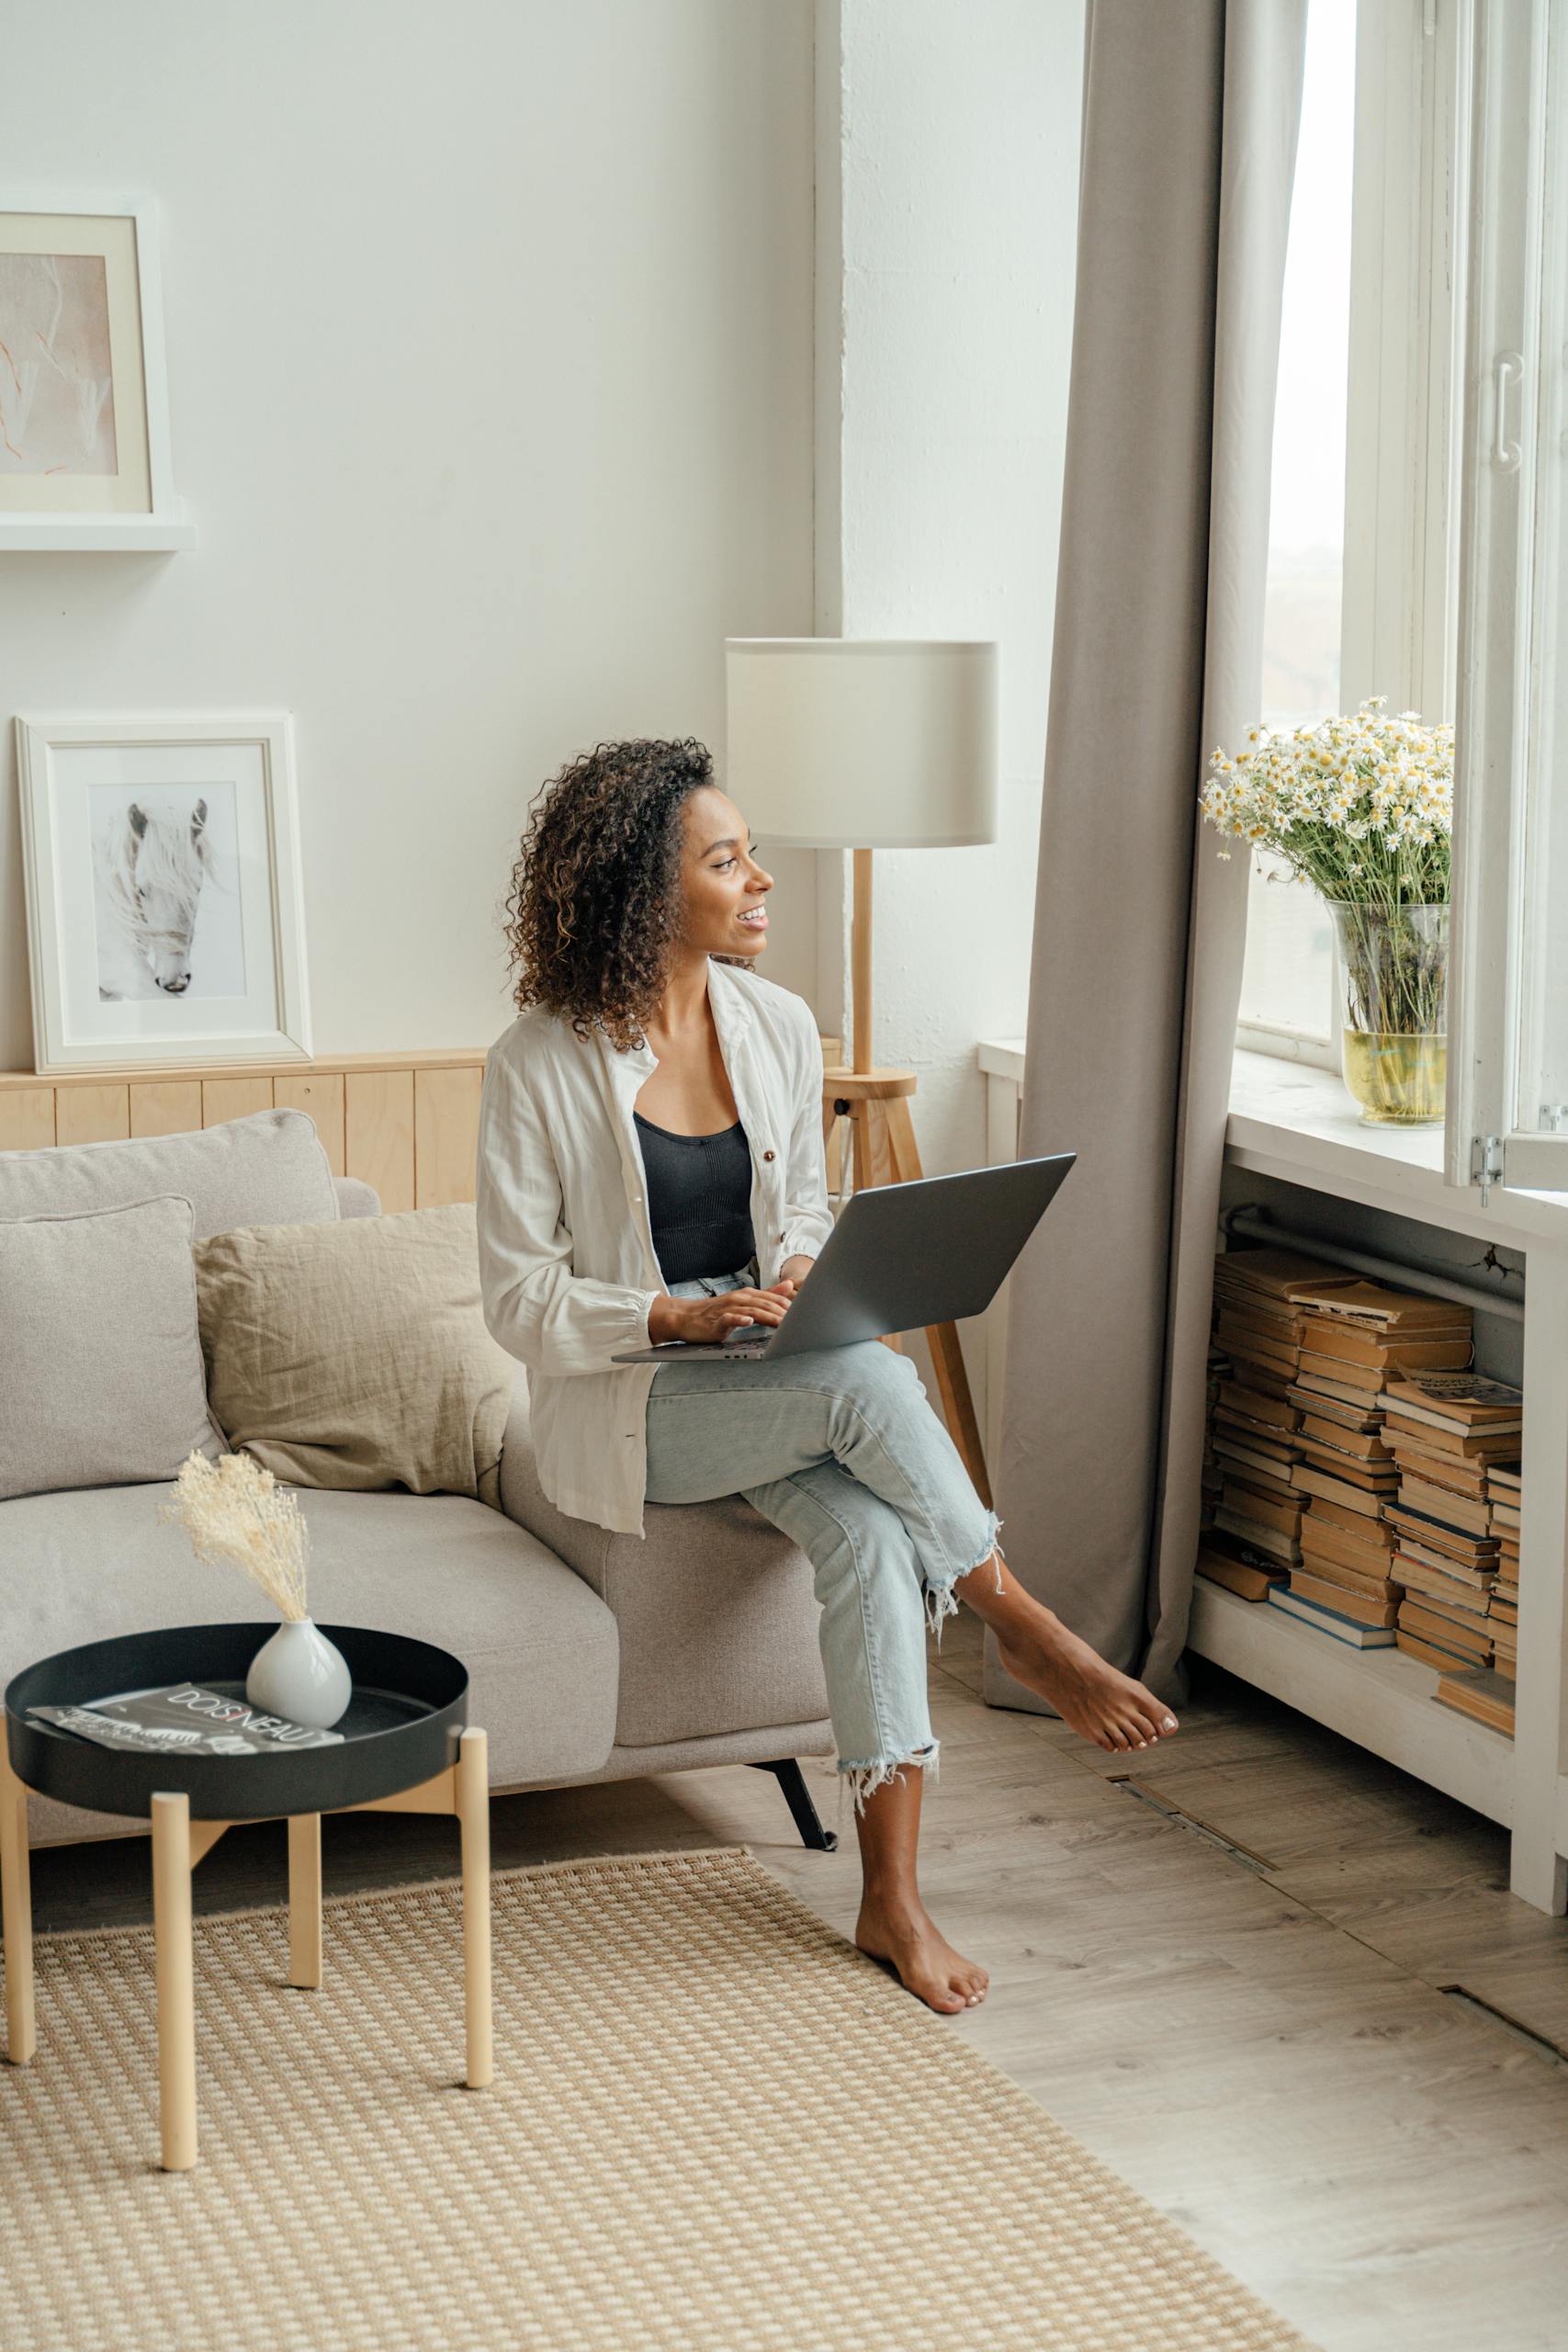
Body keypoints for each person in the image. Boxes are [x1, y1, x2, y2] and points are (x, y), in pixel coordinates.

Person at [475, 737, 1179, 2016]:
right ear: (647, 892)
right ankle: (1020, 1623)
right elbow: (518, 1302)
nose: (761, 882)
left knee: (866, 1534)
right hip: (634, 1400)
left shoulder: (777, 1023)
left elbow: (797, 1207)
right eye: (727, 860)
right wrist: (682, 1324)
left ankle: (889, 1900)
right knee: (865, 1385)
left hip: (767, 1364)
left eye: (750, 855)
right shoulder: (540, 1060)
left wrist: (799, 1274)